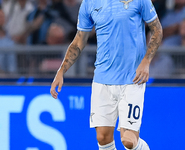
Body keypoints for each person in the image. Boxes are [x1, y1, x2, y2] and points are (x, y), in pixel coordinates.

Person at [50, 0, 163, 149]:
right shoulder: (89, 3)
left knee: (128, 140)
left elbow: (157, 29)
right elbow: (79, 40)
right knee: (102, 138)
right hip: (102, 79)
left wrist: (146, 61)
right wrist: (61, 71)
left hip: (132, 78)